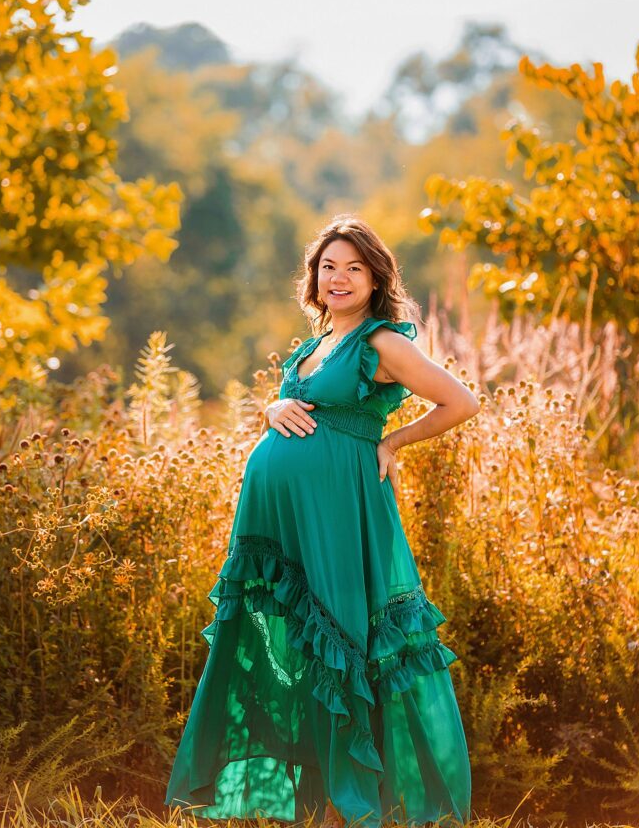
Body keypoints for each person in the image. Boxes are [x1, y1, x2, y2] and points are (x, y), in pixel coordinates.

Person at [165, 214, 478, 827]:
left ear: (374, 278)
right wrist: (274, 404)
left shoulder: (383, 342)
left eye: (353, 268)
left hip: (339, 511)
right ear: (314, 276)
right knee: (293, 642)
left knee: (343, 638)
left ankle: (352, 799)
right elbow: (301, 409)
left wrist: (392, 443)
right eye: (328, 266)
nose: (339, 278)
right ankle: (303, 795)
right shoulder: (313, 347)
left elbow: (460, 401)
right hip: (278, 521)